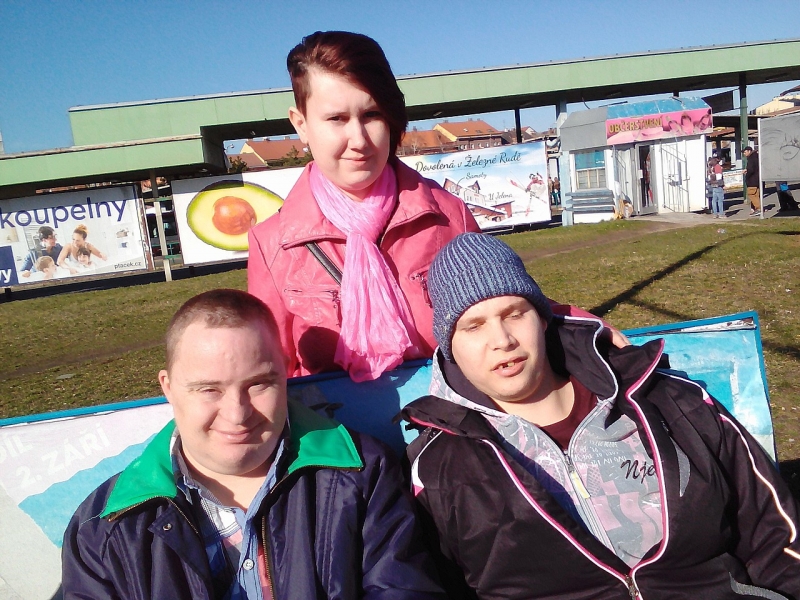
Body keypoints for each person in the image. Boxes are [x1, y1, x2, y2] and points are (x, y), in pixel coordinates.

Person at [401, 232, 800, 600]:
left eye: (515, 314)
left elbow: (774, 532)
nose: (502, 340)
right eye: (473, 326)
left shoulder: (666, 401)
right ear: (450, 347)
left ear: (542, 318)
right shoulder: (438, 466)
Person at [247, 31, 625, 383]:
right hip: (340, 429)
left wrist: (586, 325)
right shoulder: (271, 245)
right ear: (301, 124)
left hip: (446, 420)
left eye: (372, 115)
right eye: (336, 119)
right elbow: (267, 369)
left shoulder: (446, 213)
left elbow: (508, 303)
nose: (358, 139)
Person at [62, 289, 445, 600]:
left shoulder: (363, 476)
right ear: (169, 388)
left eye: (259, 384)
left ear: (285, 374)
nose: (237, 414)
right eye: (208, 389)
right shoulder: (105, 525)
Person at [743, 146, 761, 215]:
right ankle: (757, 208)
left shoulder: (751, 159)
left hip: (752, 180)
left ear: (749, 151)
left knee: (751, 194)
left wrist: (747, 175)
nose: (744, 154)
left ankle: (759, 208)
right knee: (756, 195)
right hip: (758, 179)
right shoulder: (757, 157)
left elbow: (751, 169)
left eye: (745, 152)